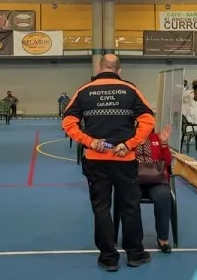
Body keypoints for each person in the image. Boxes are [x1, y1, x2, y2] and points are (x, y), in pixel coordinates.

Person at [62, 54, 155, 272]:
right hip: (124, 159)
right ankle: (135, 254)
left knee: (101, 208)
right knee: (130, 206)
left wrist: (90, 142)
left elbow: (68, 122)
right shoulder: (131, 89)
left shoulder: (84, 90)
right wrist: (129, 144)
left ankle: (108, 258)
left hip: (96, 160)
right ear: (119, 71)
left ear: (99, 68)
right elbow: (148, 120)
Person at [135, 124, 173, 253]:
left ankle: (162, 239)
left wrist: (164, 144)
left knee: (163, 196)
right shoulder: (130, 138)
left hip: (156, 181)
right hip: (135, 181)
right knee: (129, 196)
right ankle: (135, 239)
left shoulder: (157, 138)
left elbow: (168, 162)